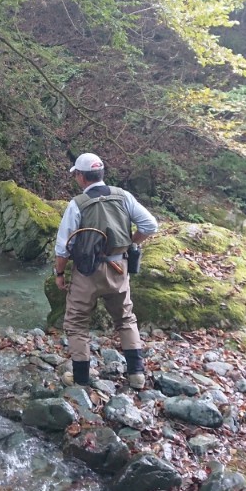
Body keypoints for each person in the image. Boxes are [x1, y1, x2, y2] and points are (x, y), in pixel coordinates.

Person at [53, 153, 158, 390]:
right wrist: (132, 243)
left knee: (77, 323)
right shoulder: (124, 196)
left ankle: (80, 378)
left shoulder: (77, 204)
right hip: (119, 267)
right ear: (101, 174)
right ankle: (136, 374)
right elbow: (150, 225)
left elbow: (63, 247)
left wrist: (59, 274)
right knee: (125, 319)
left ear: (80, 176)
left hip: (87, 272)